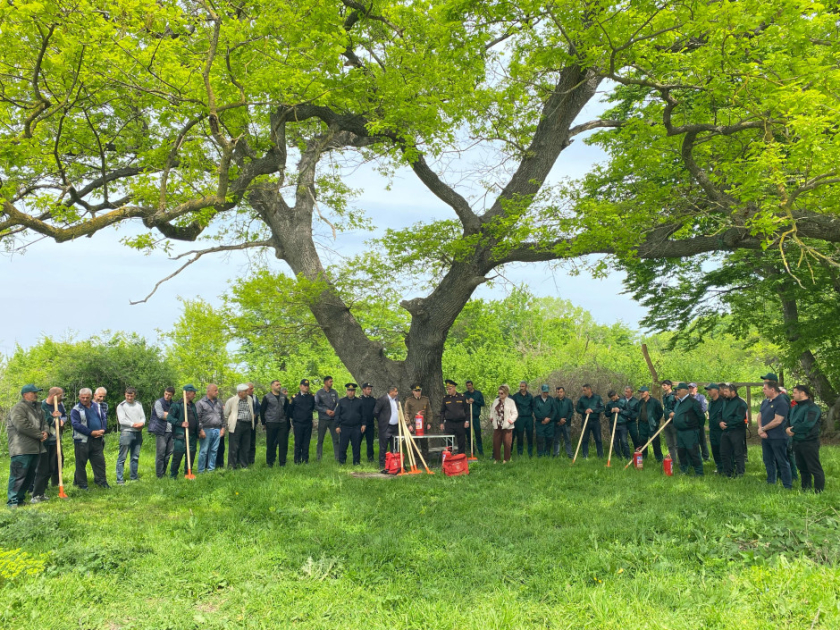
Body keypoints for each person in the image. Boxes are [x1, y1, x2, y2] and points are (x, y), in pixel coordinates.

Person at [7, 385, 47, 508]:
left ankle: (20, 499)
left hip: (35, 448)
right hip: (21, 448)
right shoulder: (18, 408)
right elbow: (21, 425)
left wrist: (46, 431)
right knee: (18, 475)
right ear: (25, 395)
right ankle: (12, 502)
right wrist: (39, 435)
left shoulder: (39, 409)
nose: (36, 394)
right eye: (33, 392)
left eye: (36, 392)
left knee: (29, 476)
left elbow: (45, 422)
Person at [787, 384, 825, 493]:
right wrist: (787, 429)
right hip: (796, 441)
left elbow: (808, 424)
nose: (792, 394)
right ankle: (805, 489)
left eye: (795, 392)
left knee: (814, 468)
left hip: (809, 442)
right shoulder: (795, 408)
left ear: (802, 393)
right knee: (802, 468)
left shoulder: (812, 408)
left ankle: (819, 491)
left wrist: (793, 430)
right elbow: (789, 420)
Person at [32, 387, 67, 502]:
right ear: (54, 395)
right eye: (61, 395)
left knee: (54, 464)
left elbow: (64, 416)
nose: (62, 397)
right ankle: (36, 493)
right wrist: (52, 416)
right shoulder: (42, 406)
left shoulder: (60, 404)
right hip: (45, 441)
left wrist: (61, 420)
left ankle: (46, 489)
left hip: (55, 440)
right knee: (43, 467)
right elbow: (41, 421)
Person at [71, 387, 110, 489]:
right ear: (79, 397)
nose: (85, 399)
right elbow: (76, 425)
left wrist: (103, 429)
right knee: (81, 463)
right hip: (82, 441)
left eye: (87, 397)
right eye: (83, 397)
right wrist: (91, 432)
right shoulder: (76, 410)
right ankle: (82, 484)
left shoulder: (97, 406)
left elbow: (103, 418)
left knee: (100, 462)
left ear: (91, 397)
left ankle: (102, 482)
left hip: (97, 439)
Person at [758, 373, 792, 490]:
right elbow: (760, 415)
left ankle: (787, 484)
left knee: (782, 460)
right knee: (767, 460)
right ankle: (771, 481)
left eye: (765, 389)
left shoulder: (781, 402)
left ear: (772, 389)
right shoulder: (765, 402)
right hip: (765, 437)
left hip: (778, 436)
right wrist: (759, 428)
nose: (763, 391)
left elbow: (778, 420)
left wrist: (763, 428)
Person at [671, 382, 704, 476]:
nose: (677, 392)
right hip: (680, 431)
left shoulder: (693, 402)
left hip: (690, 431)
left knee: (693, 451)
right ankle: (684, 470)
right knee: (681, 452)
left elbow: (701, 417)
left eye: (679, 390)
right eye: (676, 390)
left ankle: (699, 472)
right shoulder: (679, 402)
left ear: (685, 391)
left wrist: (696, 427)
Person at [115, 387, 145, 484]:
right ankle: (120, 480)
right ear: (125, 395)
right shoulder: (121, 406)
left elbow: (143, 417)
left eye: (131, 396)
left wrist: (142, 424)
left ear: (134, 395)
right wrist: (134, 425)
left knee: (135, 457)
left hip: (138, 433)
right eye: (127, 395)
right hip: (126, 432)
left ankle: (134, 477)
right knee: (122, 457)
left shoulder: (138, 405)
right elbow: (122, 420)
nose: (129, 397)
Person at [168, 385, 199, 478]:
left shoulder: (193, 406)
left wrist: (198, 431)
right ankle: (173, 475)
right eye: (193, 393)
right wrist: (180, 423)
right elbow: (169, 418)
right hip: (181, 436)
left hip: (192, 436)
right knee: (178, 455)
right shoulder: (176, 405)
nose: (195, 395)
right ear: (187, 394)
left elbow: (196, 419)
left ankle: (188, 473)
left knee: (191, 455)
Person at [719, 383, 748, 478]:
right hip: (725, 431)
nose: (724, 393)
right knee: (724, 452)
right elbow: (720, 413)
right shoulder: (725, 401)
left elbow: (739, 418)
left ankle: (740, 473)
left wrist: (727, 424)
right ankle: (727, 472)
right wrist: (720, 422)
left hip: (737, 430)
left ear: (733, 392)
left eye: (726, 391)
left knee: (738, 452)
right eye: (724, 391)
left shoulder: (741, 403)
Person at [225, 384, 255, 469]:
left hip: (247, 424)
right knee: (234, 446)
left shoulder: (249, 399)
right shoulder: (232, 400)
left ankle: (244, 465)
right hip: (236, 424)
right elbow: (226, 413)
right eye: (245, 391)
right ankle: (232, 466)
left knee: (245, 446)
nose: (247, 392)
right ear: (240, 393)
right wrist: (228, 424)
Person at [261, 380, 290, 467]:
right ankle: (270, 462)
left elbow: (287, 410)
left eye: (280, 384)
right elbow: (262, 410)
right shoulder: (267, 397)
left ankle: (282, 462)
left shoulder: (283, 397)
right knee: (271, 443)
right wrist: (264, 423)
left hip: (282, 423)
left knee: (283, 443)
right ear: (272, 386)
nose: (279, 386)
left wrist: (287, 422)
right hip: (271, 422)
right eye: (277, 385)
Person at [196, 384, 224, 473]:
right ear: (208, 391)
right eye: (215, 390)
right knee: (203, 451)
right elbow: (197, 418)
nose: (217, 392)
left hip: (217, 430)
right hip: (206, 430)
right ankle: (201, 470)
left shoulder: (219, 403)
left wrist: (223, 428)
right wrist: (200, 430)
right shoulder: (200, 403)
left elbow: (223, 417)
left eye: (217, 390)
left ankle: (211, 469)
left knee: (214, 450)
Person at [335, 383, 366, 465]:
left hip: (356, 427)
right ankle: (342, 461)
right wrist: (337, 426)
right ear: (346, 391)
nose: (350, 392)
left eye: (352, 391)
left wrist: (363, 424)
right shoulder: (341, 401)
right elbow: (337, 415)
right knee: (343, 446)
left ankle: (356, 462)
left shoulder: (359, 402)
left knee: (356, 446)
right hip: (344, 427)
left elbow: (363, 414)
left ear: (355, 391)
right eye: (349, 390)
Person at [149, 387, 176, 478]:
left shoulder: (173, 404)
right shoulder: (159, 402)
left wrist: (167, 414)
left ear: (172, 395)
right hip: (161, 431)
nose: (167, 396)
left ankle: (164, 472)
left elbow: (178, 415)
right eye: (166, 394)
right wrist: (172, 415)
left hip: (171, 432)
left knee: (168, 453)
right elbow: (160, 415)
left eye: (169, 395)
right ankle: (159, 475)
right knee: (161, 453)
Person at [288, 379, 316, 464]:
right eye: (304, 386)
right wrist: (296, 418)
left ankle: (305, 460)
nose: (306, 387)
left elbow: (312, 408)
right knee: (298, 442)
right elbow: (289, 410)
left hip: (307, 423)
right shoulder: (295, 397)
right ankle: (297, 460)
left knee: (306, 442)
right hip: (298, 423)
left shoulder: (311, 397)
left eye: (307, 386)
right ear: (300, 386)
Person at [439, 380, 470, 455]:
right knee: (449, 441)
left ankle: (461, 456)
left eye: (450, 389)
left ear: (454, 388)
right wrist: (441, 422)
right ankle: (450, 456)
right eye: (447, 389)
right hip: (449, 422)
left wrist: (467, 421)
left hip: (460, 422)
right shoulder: (445, 398)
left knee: (461, 440)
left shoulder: (462, 397)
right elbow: (442, 411)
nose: (448, 390)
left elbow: (467, 410)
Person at [374, 386, 400, 472]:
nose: (397, 393)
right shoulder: (383, 399)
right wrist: (382, 421)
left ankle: (394, 463)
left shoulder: (396, 400)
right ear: (391, 392)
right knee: (383, 446)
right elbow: (376, 412)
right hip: (386, 426)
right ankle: (382, 464)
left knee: (394, 446)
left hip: (395, 427)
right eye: (395, 392)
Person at [490, 384, 518, 463]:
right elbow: (492, 411)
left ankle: (506, 459)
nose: (500, 395)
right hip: (497, 425)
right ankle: (497, 458)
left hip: (507, 426)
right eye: (499, 393)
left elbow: (515, 413)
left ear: (506, 393)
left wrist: (510, 421)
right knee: (496, 442)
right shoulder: (496, 401)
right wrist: (492, 419)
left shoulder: (510, 402)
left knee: (507, 443)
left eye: (502, 393)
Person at [575, 384, 604, 458]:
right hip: (585, 421)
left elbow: (602, 408)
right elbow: (578, 409)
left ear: (589, 390)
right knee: (584, 439)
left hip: (595, 421)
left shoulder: (597, 398)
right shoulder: (582, 399)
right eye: (583, 390)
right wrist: (584, 411)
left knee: (598, 439)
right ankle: (585, 456)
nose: (583, 392)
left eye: (584, 390)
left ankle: (600, 456)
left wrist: (593, 410)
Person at [404, 384, 432, 460]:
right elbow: (406, 413)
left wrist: (429, 422)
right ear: (413, 391)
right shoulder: (409, 400)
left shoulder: (425, 399)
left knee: (424, 443)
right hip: (413, 424)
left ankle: (425, 460)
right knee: (414, 444)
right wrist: (408, 424)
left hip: (424, 424)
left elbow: (429, 411)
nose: (418, 392)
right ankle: (415, 460)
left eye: (419, 391)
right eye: (416, 391)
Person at [315, 376, 340, 462]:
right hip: (323, 419)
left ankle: (337, 458)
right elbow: (315, 405)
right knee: (320, 439)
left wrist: (334, 411)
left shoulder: (334, 392)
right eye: (330, 381)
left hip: (333, 419)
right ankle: (319, 457)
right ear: (325, 382)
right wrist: (325, 410)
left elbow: (339, 403)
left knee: (336, 439)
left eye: (332, 381)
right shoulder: (319, 393)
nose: (331, 383)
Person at [636, 386, 663, 461]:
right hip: (642, 425)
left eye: (643, 392)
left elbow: (660, 413)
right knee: (643, 442)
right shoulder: (640, 402)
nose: (642, 394)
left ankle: (659, 459)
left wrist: (656, 422)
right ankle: (644, 458)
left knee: (655, 442)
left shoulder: (655, 402)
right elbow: (638, 412)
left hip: (652, 425)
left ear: (647, 392)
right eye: (640, 392)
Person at [511, 381, 535, 457]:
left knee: (530, 435)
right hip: (519, 418)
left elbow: (533, 407)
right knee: (520, 436)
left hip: (528, 418)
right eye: (520, 386)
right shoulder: (515, 396)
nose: (521, 388)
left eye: (523, 386)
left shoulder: (530, 396)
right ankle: (520, 452)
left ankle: (530, 452)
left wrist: (530, 413)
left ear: (526, 387)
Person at [606, 389, 631, 459]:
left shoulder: (624, 402)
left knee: (624, 441)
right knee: (615, 441)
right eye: (611, 398)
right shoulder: (609, 404)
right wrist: (611, 411)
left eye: (613, 398)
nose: (613, 399)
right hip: (613, 424)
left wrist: (620, 410)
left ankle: (627, 457)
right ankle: (618, 457)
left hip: (622, 424)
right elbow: (606, 414)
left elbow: (629, 412)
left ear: (616, 395)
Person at [705, 384, 725, 473]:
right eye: (707, 390)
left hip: (721, 430)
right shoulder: (711, 402)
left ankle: (726, 467)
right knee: (715, 449)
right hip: (712, 429)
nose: (708, 392)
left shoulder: (723, 402)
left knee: (723, 449)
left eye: (710, 390)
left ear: (716, 390)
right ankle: (719, 467)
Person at [660, 380, 679, 467]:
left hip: (674, 422)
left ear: (670, 386)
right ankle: (673, 461)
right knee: (669, 443)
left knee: (676, 443)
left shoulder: (674, 395)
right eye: (662, 385)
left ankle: (679, 461)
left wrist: (673, 413)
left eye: (665, 385)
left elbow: (678, 406)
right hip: (666, 421)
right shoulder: (664, 396)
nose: (663, 387)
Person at [689, 383, 710, 462]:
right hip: (690, 423)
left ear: (696, 389)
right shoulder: (687, 398)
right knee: (693, 441)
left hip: (699, 422)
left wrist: (693, 411)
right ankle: (695, 457)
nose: (691, 389)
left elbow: (704, 408)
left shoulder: (701, 397)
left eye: (692, 388)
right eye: (690, 388)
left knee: (702, 440)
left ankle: (706, 456)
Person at [533, 385, 556, 457]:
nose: (546, 394)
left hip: (549, 423)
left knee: (549, 438)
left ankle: (547, 453)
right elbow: (536, 411)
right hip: (540, 422)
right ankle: (540, 454)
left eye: (547, 392)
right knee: (540, 438)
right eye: (544, 392)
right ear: (542, 391)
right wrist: (543, 418)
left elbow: (554, 411)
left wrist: (549, 418)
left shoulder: (551, 399)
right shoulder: (536, 399)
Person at [553, 386, 574, 458]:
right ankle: (556, 454)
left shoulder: (568, 401)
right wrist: (559, 420)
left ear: (564, 392)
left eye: (561, 392)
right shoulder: (553, 401)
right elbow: (553, 412)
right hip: (557, 424)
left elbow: (571, 411)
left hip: (566, 423)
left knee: (567, 439)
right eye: (558, 392)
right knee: (556, 440)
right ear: (556, 392)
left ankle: (570, 454)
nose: (559, 393)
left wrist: (565, 420)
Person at [465, 380, 485, 456]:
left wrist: (474, 401)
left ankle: (481, 451)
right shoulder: (465, 395)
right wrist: (467, 402)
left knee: (478, 434)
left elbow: (482, 403)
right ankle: (472, 451)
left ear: (472, 385)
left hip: (476, 417)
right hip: (468, 418)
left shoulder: (478, 393)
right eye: (467, 385)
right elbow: (462, 405)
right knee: (469, 435)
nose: (468, 387)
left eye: (469, 385)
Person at [360, 383, 377, 463]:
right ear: (363, 390)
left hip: (370, 424)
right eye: (368, 389)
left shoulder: (373, 400)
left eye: (370, 389)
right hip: (361, 424)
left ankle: (370, 457)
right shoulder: (359, 400)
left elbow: (376, 412)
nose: (369, 391)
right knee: (358, 441)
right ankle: (357, 457)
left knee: (370, 442)